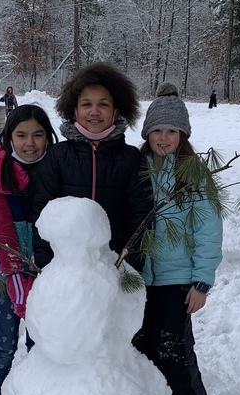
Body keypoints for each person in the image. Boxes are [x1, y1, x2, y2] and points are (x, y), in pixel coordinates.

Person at [132, 85, 223, 395]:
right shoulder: (137, 167)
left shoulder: (193, 174)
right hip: (140, 276)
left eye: (172, 130)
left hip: (178, 277)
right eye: (157, 130)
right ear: (147, 133)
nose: (164, 137)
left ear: (183, 134)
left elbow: (208, 230)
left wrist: (201, 281)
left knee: (172, 344)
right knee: (141, 342)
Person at [0, 104, 57, 395]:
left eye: (38, 134)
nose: (30, 143)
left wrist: (39, 273)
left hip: (47, 267)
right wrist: (14, 277)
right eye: (21, 135)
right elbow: (0, 227)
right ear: (8, 136)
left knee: (39, 344)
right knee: (4, 344)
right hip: (5, 269)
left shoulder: (57, 169)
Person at [31, 62, 152, 271]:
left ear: (115, 112)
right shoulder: (57, 156)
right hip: (65, 269)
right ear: (74, 111)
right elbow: (42, 213)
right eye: (87, 104)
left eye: (103, 104)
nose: (94, 111)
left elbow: (140, 216)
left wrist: (128, 266)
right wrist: (47, 267)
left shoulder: (131, 159)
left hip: (114, 267)